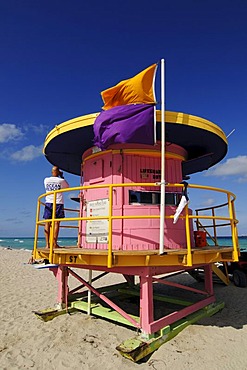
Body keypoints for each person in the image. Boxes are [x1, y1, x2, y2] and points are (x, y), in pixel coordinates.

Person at [43, 166, 69, 249]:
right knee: (57, 223)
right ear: (58, 172)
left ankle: (47, 244)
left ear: (51, 172)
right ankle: (54, 243)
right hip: (58, 202)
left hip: (48, 202)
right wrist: (61, 176)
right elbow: (67, 187)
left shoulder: (46, 180)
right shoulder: (61, 180)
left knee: (47, 223)